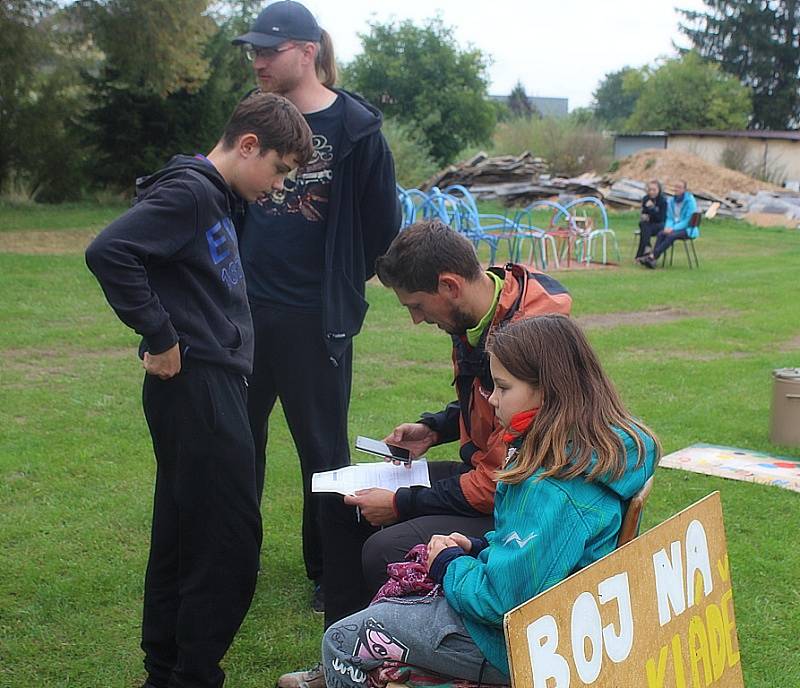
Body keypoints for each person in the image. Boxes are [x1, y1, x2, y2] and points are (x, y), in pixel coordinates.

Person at [276, 221, 571, 688]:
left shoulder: (528, 333)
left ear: (449, 285)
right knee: (343, 500)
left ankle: (390, 662)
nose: (415, 319)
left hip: (515, 496)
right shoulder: (479, 313)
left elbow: (498, 480)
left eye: (416, 305)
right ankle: (342, 654)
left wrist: (400, 504)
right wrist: (434, 428)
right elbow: (490, 403)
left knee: (383, 549)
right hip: (490, 473)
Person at [85, 92, 313, 688]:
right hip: (197, 385)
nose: (279, 186)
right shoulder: (189, 192)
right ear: (247, 145)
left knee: (185, 534)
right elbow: (110, 251)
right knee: (227, 540)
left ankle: (168, 672)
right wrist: (159, 335)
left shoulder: (214, 198)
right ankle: (190, 674)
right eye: (280, 170)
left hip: (211, 384)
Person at [319, 314, 660, 688]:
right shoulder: (593, 451)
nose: (492, 399)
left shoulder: (553, 485)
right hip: (563, 624)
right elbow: (547, 552)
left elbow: (502, 604)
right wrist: (479, 546)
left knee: (342, 640)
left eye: (502, 387)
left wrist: (448, 564)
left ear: (547, 389)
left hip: (520, 645)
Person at [232, 0, 401, 610]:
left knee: (322, 452)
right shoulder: (252, 120)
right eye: (252, 51)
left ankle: (329, 571)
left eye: (268, 50)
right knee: (236, 440)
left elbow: (384, 227)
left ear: (307, 52)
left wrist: (339, 282)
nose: (258, 61)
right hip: (242, 312)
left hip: (317, 318)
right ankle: (232, 563)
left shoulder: (356, 129)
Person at [639, 180, 698, 269]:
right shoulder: (671, 201)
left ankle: (652, 256)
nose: (676, 189)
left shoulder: (690, 201)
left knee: (670, 236)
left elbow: (687, 220)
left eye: (679, 187)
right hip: (674, 227)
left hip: (688, 229)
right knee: (661, 234)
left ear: (684, 189)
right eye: (675, 187)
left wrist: (673, 228)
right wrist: (668, 227)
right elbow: (669, 217)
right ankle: (653, 260)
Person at [635, 179, 667, 259]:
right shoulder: (646, 199)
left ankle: (641, 254)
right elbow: (644, 212)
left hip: (660, 225)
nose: (651, 192)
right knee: (643, 225)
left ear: (659, 190)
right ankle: (647, 248)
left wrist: (652, 208)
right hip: (649, 224)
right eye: (649, 190)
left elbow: (661, 218)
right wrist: (644, 216)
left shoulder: (663, 201)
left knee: (645, 230)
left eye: (654, 190)